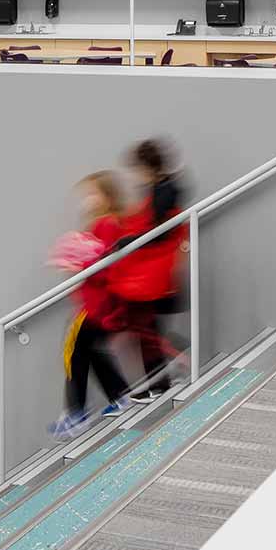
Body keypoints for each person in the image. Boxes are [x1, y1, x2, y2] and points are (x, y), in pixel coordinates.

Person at [52, 171, 136, 437]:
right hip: (100, 303)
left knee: (73, 348)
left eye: (91, 194)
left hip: (97, 304)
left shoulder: (107, 225)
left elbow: (107, 267)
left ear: (106, 196)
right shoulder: (105, 224)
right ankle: (119, 394)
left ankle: (76, 412)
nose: (86, 201)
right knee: (90, 350)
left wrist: (77, 264)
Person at [113, 137, 190, 381]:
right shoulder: (161, 189)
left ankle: (169, 366)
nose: (134, 176)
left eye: (136, 170)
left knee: (143, 328)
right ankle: (161, 379)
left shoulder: (164, 193)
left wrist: (128, 242)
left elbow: (160, 233)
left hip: (154, 271)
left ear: (147, 167)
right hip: (154, 269)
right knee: (145, 327)